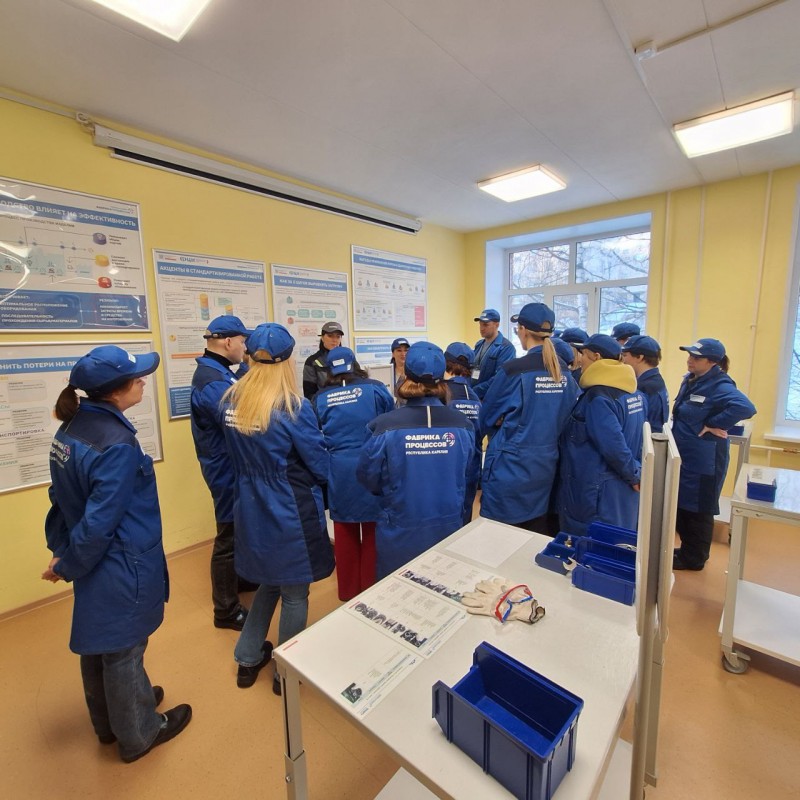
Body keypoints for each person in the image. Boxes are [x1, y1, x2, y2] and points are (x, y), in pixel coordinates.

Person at [43, 345, 191, 762]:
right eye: (135, 377)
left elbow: (60, 498)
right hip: (120, 559)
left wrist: (62, 551)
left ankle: (113, 720)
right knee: (125, 648)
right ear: (114, 391)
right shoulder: (117, 443)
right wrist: (67, 564)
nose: (142, 381)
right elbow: (100, 522)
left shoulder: (72, 428)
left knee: (99, 640)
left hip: (92, 557)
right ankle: (139, 732)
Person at [221, 323, 335, 693]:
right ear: (287, 361)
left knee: (270, 580)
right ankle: (286, 673)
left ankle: (247, 657)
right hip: (289, 509)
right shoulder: (292, 407)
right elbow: (318, 463)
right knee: (295, 593)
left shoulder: (231, 402)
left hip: (251, 506)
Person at [356, 342, 479, 578]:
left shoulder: (383, 426)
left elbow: (368, 477)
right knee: (444, 587)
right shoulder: (463, 425)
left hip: (400, 526)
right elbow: (467, 475)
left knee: (398, 590)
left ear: (406, 376)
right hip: (448, 524)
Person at [479, 303, 579, 534]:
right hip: (546, 468)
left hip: (510, 469)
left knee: (498, 536)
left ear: (522, 330)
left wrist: (500, 421)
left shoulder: (514, 370)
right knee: (533, 536)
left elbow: (486, 417)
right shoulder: (564, 372)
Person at [313, 346, 394, 600]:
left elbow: (315, 432)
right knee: (372, 528)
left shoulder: (320, 398)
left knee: (344, 530)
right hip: (372, 464)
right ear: (356, 365)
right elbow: (389, 422)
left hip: (338, 469)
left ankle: (348, 592)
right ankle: (371, 590)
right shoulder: (376, 389)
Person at [190, 315, 253, 631]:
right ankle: (225, 610)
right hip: (225, 469)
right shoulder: (212, 382)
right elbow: (239, 418)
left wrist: (245, 367)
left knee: (237, 528)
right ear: (228, 342)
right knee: (228, 535)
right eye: (242, 341)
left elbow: (235, 387)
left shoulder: (218, 372)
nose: (245, 347)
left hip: (228, 465)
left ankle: (240, 580)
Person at [671, 338, 756, 571]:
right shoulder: (692, 380)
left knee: (699, 508)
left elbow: (746, 407)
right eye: (690, 355)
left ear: (712, 362)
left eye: (696, 358)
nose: (690, 360)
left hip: (705, 459)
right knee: (686, 504)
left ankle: (695, 558)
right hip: (689, 456)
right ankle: (689, 550)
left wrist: (715, 423)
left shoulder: (719, 385)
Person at [558, 334, 645, 536]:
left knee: (593, 544)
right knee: (617, 541)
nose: (580, 360)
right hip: (620, 490)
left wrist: (633, 475)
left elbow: (613, 445)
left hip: (598, 491)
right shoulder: (634, 393)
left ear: (596, 357)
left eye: (583, 354)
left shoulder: (599, 398)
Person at [443, 342, 482, 523]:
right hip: (471, 468)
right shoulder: (474, 398)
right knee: (464, 520)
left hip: (446, 469)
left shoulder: (441, 393)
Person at [621, 334, 669, 433]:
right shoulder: (655, 381)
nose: (622, 360)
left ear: (639, 357)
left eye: (625, 355)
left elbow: (650, 426)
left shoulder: (646, 387)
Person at [471, 308, 516, 400]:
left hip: (491, 399)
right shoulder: (479, 344)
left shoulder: (506, 348)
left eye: (485, 325)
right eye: (480, 324)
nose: (481, 328)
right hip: (475, 396)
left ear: (497, 325)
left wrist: (474, 391)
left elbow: (500, 379)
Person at [303, 321, 351, 399]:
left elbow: (357, 384)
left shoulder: (349, 358)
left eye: (338, 336)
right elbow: (309, 395)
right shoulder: (312, 362)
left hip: (348, 402)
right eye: (330, 336)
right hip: (324, 404)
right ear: (322, 338)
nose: (334, 340)